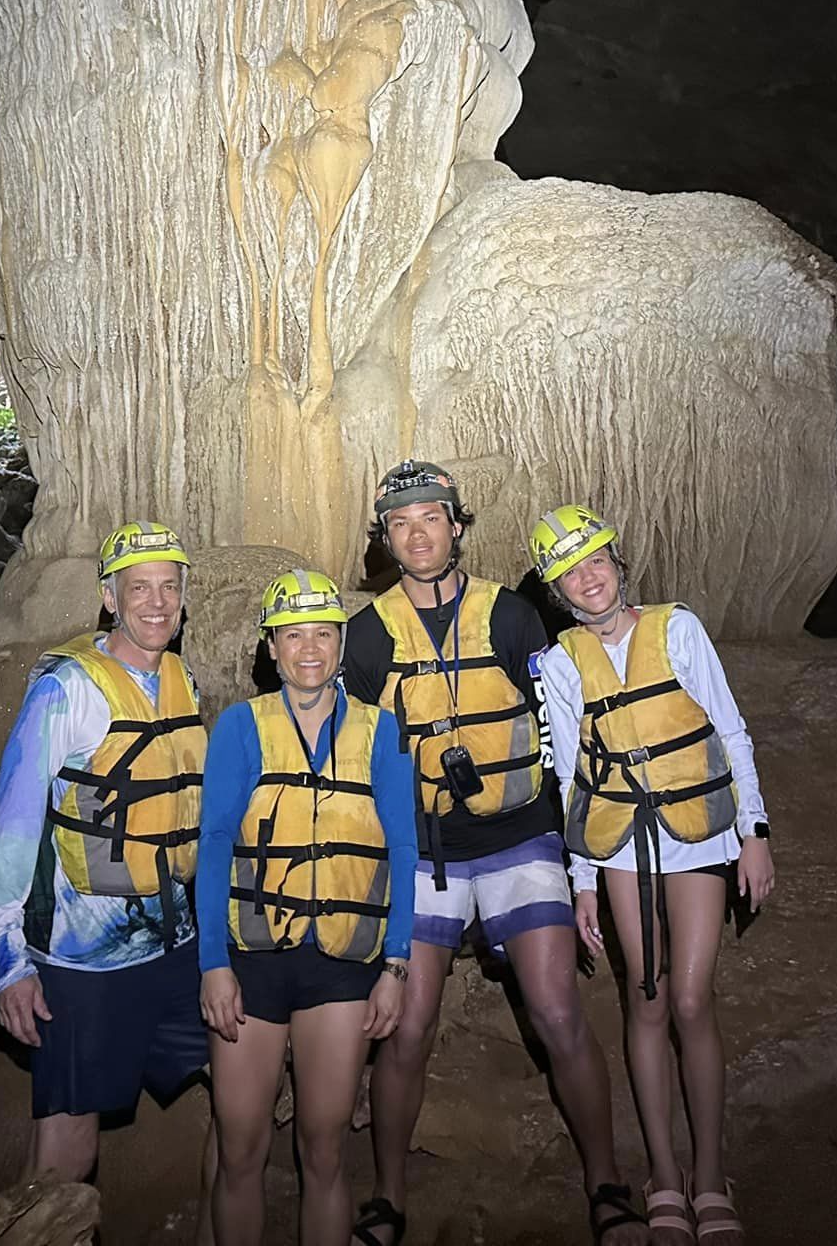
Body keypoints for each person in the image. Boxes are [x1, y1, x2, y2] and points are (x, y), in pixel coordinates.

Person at [343, 461, 647, 1245]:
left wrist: (582, 856)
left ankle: (606, 1182)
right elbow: (360, 754)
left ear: (457, 525)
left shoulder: (511, 617)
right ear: (386, 538)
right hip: (424, 850)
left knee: (555, 1010)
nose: (418, 534)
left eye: (431, 518)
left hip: (519, 836)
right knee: (408, 1029)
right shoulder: (370, 635)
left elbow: (562, 729)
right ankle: (387, 1196)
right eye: (401, 523)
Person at [530, 505, 775, 1243]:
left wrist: (754, 831)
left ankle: (710, 1173)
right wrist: (580, 881)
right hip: (617, 842)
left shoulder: (678, 628)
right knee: (647, 998)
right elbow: (568, 777)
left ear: (617, 562)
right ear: (559, 590)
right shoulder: (562, 660)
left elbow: (729, 727)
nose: (590, 577)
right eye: (573, 571)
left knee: (693, 1000)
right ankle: (664, 1174)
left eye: (597, 560)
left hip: (697, 832)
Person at [0, 520, 216, 1223]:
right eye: (138, 588)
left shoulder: (183, 678)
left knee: (242, 1091)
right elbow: (13, 827)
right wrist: (6, 962)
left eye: (168, 588)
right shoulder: (66, 691)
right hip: (84, 965)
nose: (155, 602)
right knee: (66, 1149)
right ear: (109, 597)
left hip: (177, 950)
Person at [197, 569, 417, 1246]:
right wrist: (213, 964)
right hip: (253, 960)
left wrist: (397, 963)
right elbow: (213, 843)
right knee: (240, 1150)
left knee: (323, 1151)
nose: (309, 648)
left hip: (344, 964)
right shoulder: (240, 726)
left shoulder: (383, 733)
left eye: (323, 633)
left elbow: (403, 849)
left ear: (342, 641)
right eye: (294, 635)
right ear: (271, 647)